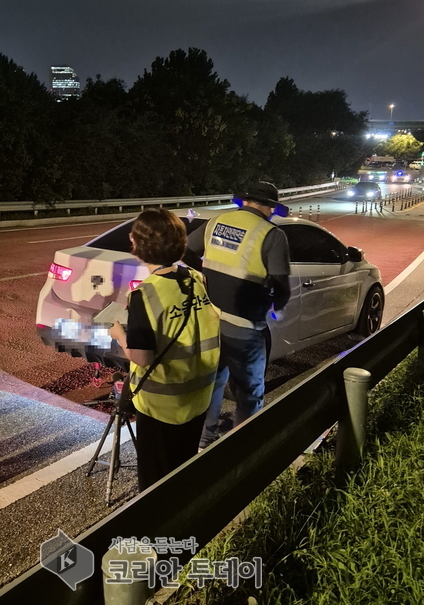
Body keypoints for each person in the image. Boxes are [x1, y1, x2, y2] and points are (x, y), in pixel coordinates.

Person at [109, 208, 220, 491]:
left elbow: (142, 358)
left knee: (156, 484)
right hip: (198, 397)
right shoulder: (196, 278)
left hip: (162, 405)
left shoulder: (144, 295)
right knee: (183, 471)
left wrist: (119, 334)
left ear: (138, 245)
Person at [184, 181, 291, 449]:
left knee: (213, 383)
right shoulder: (272, 234)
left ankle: (204, 440)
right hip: (245, 326)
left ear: (245, 201)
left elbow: (184, 250)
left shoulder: (217, 222)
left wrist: (205, 271)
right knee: (249, 392)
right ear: (269, 207)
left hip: (210, 320)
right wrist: (276, 305)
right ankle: (240, 448)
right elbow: (281, 285)